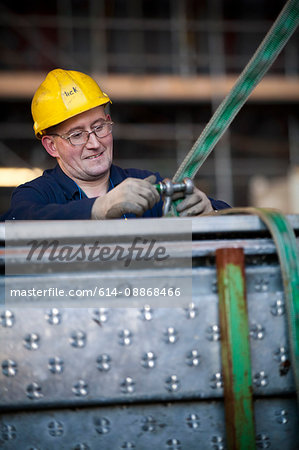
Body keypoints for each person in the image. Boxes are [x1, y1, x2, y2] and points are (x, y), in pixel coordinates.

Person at [0, 69, 229, 221]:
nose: (94, 143)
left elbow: (238, 219)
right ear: (51, 146)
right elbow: (18, 222)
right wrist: (99, 208)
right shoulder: (37, 194)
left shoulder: (145, 185)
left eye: (99, 127)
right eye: (77, 135)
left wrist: (211, 212)